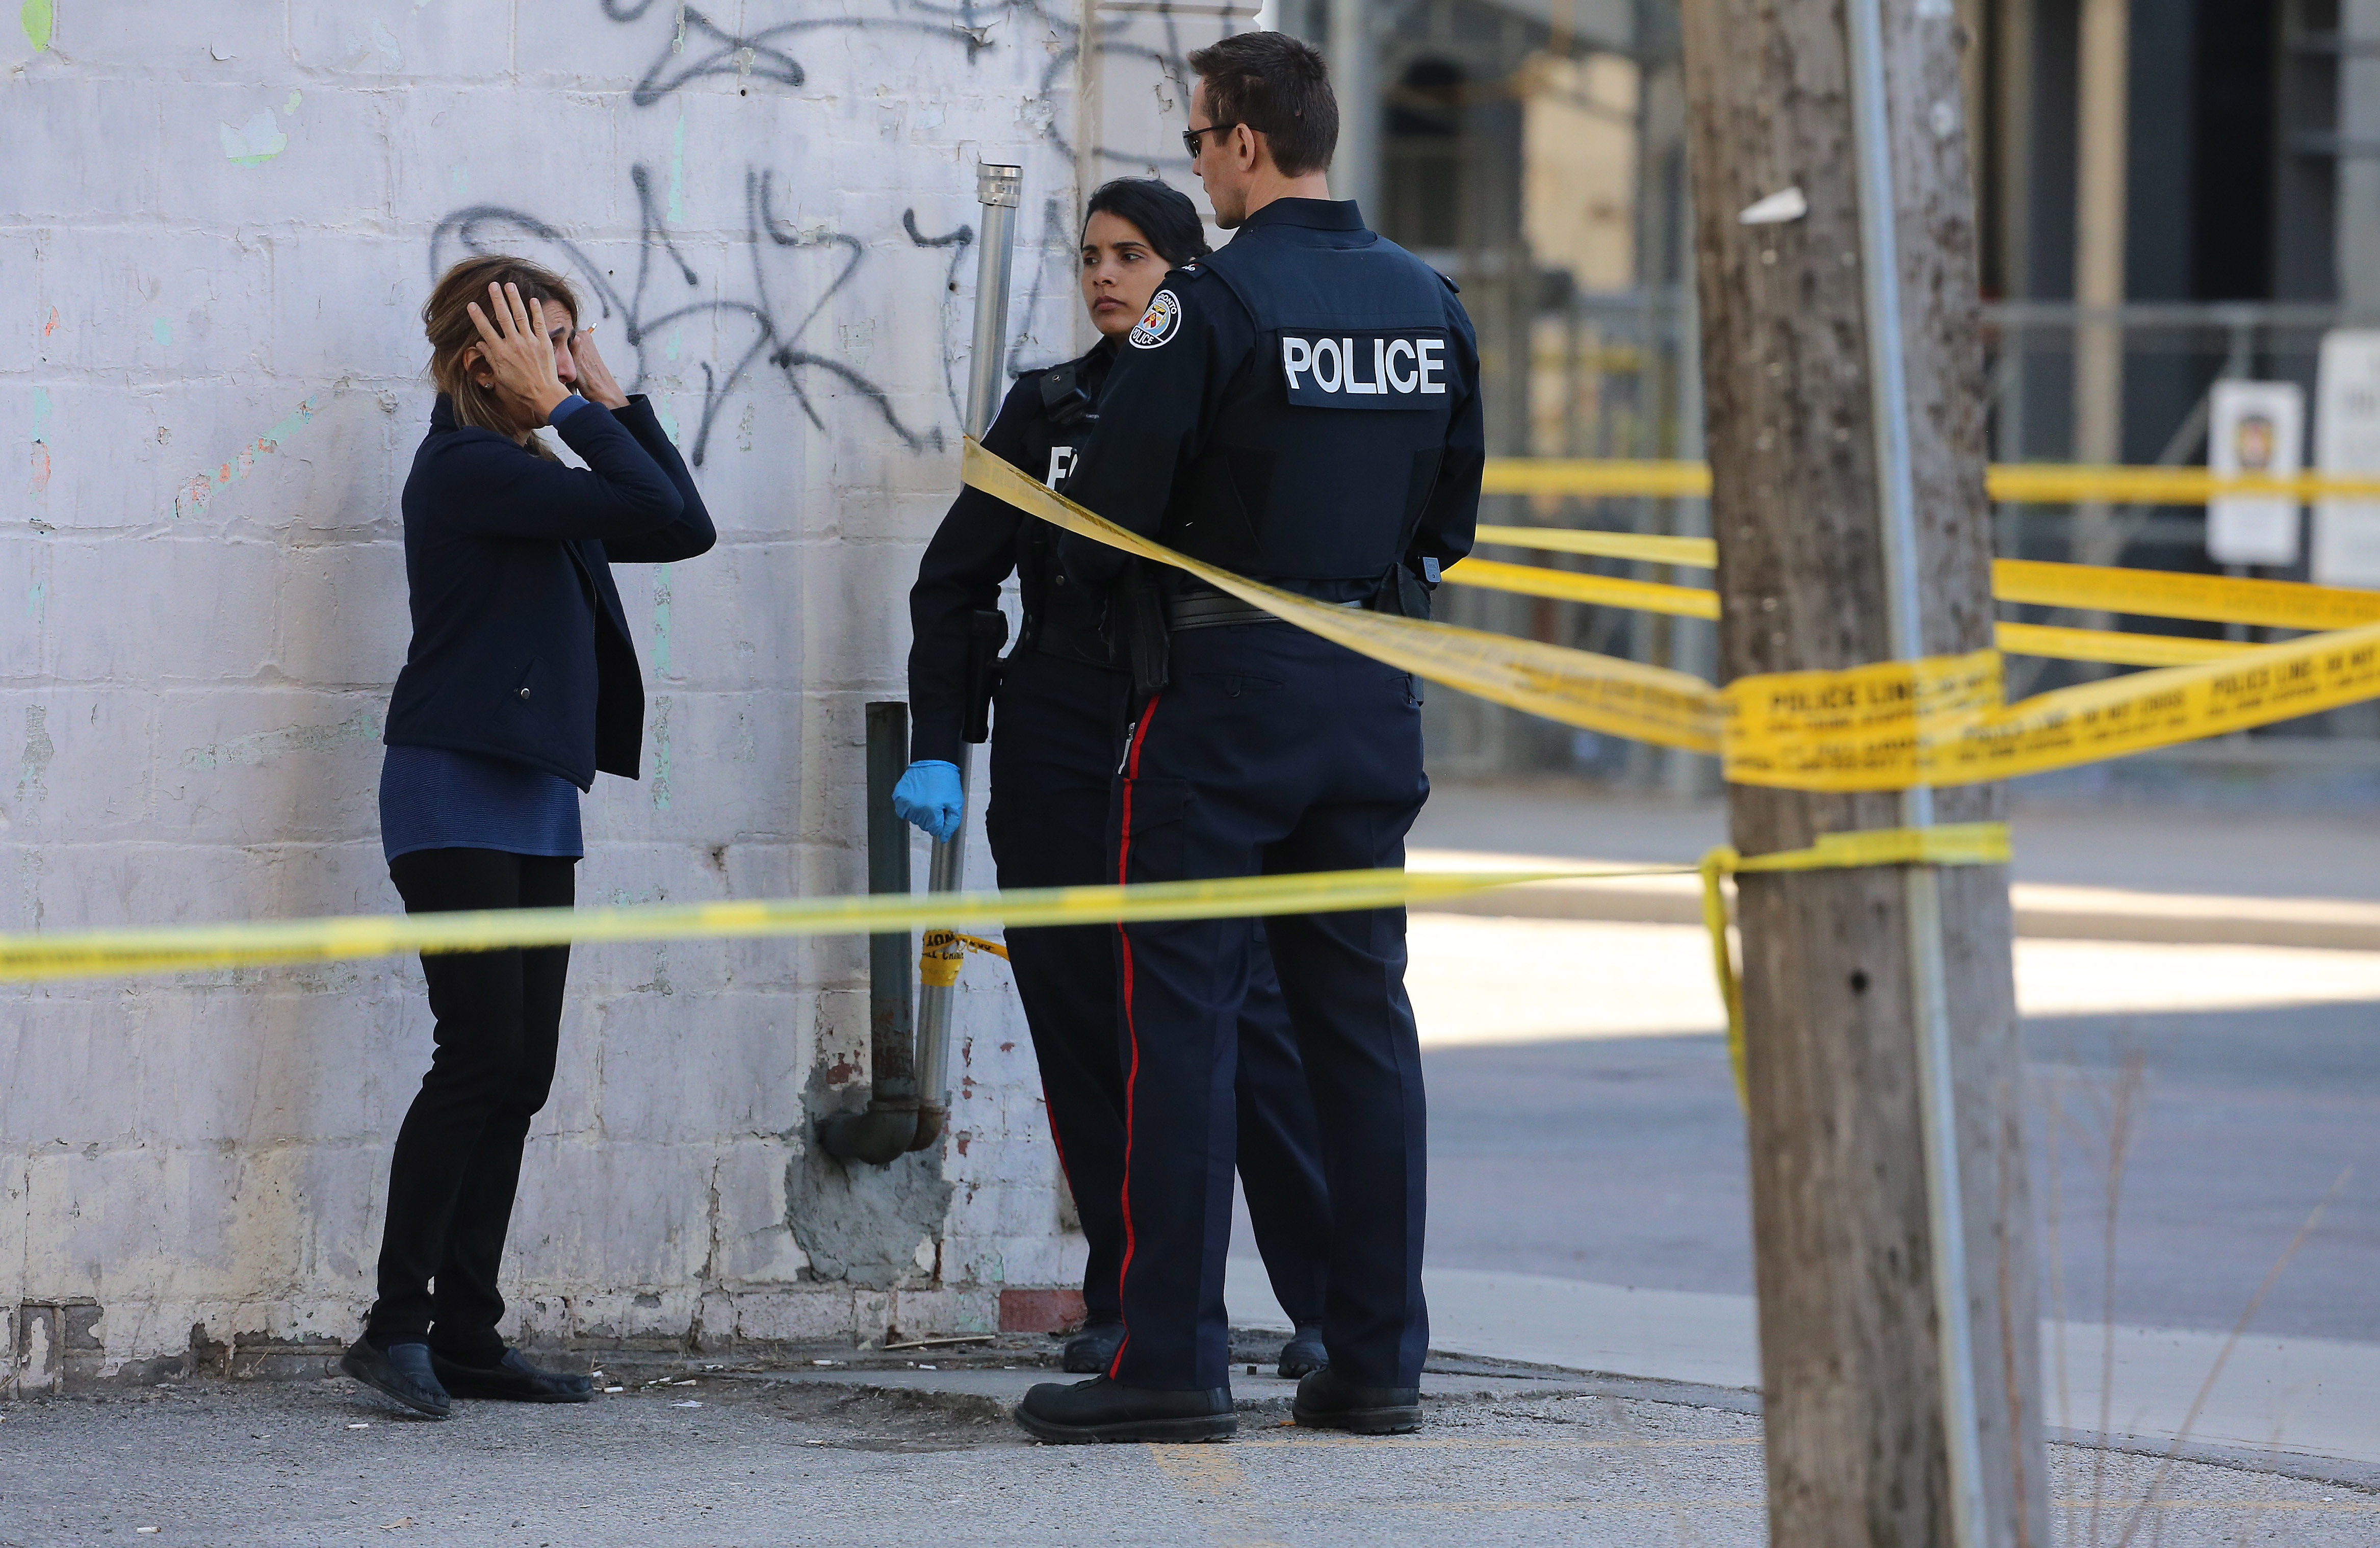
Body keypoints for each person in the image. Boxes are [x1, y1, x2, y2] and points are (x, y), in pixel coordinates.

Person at [1013, 31, 1483, 1443]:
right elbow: (1447, 521)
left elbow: (1103, 522)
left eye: (1199, 142)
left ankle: (1169, 1359)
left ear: (1241, 142)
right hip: (1371, 691)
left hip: (1221, 698)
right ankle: (1376, 1357)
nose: (1199, 168)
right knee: (1363, 1026)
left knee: (1182, 1025)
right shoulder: (1428, 299)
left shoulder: (1207, 306)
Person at [897, 178, 1334, 1380]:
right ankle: (1129, 1303)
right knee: (1085, 1023)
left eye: (1131, 255)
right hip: (1060, 727)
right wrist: (940, 737)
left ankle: (1326, 1303)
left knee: (1251, 1020)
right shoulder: (1046, 409)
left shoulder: (1238, 397)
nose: (1103, 275)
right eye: (1091, 254)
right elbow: (954, 582)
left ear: (1187, 276)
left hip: (1194, 725)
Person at [340, 256, 717, 1418]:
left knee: (521, 1068)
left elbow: (684, 527)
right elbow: (647, 508)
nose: (564, 359)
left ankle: (468, 1335)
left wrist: (607, 396)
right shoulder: (467, 469)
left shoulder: (536, 474)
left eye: (568, 338)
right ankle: (394, 1327)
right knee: (478, 1055)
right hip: (454, 785)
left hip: (536, 793)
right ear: (479, 358)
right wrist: (572, 408)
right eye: (545, 339)